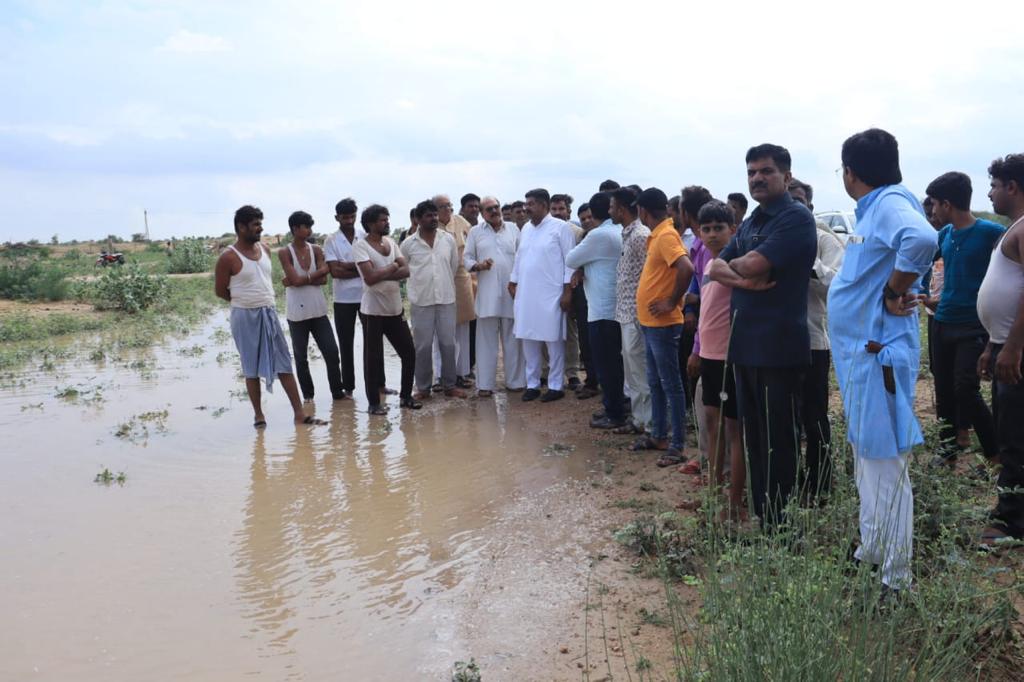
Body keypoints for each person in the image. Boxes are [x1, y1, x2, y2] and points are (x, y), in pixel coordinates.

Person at [829, 128, 937, 592]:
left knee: (885, 464)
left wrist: (894, 290)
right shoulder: (876, 209)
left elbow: (922, 239)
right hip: (860, 358)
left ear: (850, 172)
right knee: (866, 458)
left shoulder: (892, 204)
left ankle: (896, 578)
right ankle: (872, 549)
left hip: (876, 359)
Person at [709, 143, 816, 526]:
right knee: (754, 440)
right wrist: (743, 275)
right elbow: (714, 269)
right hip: (745, 347)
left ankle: (780, 525)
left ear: (786, 177)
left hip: (778, 349)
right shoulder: (754, 220)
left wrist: (737, 268)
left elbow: (749, 263)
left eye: (766, 171)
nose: (757, 178)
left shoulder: (795, 218)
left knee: (779, 441)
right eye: (752, 172)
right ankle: (762, 515)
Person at [926, 171, 1004, 464]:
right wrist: (927, 294)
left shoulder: (990, 233)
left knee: (965, 389)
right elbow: (926, 266)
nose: (932, 211)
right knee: (943, 388)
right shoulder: (944, 235)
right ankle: (948, 450)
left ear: (946, 204)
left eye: (934, 204)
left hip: (972, 324)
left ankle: (995, 454)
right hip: (941, 320)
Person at [214, 205, 313, 426]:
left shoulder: (266, 250)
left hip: (268, 313)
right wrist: (244, 302)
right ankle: (259, 415)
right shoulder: (228, 257)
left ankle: (299, 412)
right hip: (244, 317)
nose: (260, 228)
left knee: (284, 362)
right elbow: (220, 291)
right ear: (241, 227)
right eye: (256, 224)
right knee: (250, 367)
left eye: (260, 223)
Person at [788, 179, 845, 499]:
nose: (793, 207)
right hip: (779, 344)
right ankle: (792, 484)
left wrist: (809, 263)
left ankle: (821, 486)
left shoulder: (824, 240)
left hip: (812, 341)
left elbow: (838, 285)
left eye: (798, 201)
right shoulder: (774, 237)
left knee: (814, 418)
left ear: (809, 205)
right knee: (786, 419)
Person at [978, 153, 1024, 542]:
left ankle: (1012, 521)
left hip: (1018, 353)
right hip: (1006, 346)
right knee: (1009, 428)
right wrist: (993, 346)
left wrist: (1012, 348)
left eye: (994, 185)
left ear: (1012, 187)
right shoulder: (1013, 229)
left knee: (1014, 435)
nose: (990, 193)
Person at [631, 188, 694, 465]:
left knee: (671, 385)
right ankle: (658, 434)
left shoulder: (666, 235)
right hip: (651, 322)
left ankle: (677, 445)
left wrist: (671, 301)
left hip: (663, 323)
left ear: (643, 211)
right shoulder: (659, 234)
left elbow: (686, 268)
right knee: (656, 382)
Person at [691, 200, 746, 517]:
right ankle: (714, 491)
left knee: (734, 429)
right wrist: (697, 348)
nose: (712, 235)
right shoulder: (710, 265)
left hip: (730, 357)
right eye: (706, 229)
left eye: (719, 228)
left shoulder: (736, 264)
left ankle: (735, 501)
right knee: (712, 425)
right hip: (709, 356)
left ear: (733, 230)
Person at [351, 204, 420, 414]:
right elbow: (370, 279)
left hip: (394, 308)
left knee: (409, 352)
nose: (387, 222)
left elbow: (406, 270)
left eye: (387, 219)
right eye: (382, 220)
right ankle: (374, 404)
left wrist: (380, 272)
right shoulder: (361, 246)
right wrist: (391, 268)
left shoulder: (390, 242)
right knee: (372, 360)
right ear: (371, 224)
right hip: (373, 311)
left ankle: (406, 397)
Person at [509, 188, 576, 402]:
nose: (526, 207)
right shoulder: (526, 229)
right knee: (528, 338)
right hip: (527, 293)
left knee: (553, 340)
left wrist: (567, 292)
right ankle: (533, 384)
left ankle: (556, 386)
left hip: (551, 294)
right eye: (526, 203)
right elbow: (520, 258)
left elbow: (570, 262)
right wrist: (513, 280)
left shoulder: (560, 228)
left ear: (544, 205)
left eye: (531, 204)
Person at [566, 191, 625, 427]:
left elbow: (571, 259)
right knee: (616, 363)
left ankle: (614, 413)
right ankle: (616, 406)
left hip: (602, 308)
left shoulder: (598, 235)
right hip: (616, 306)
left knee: (607, 364)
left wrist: (582, 266)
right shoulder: (618, 230)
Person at [401, 200, 467, 399]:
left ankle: (449, 385)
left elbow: (453, 266)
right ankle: (423, 388)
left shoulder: (447, 239)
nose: (434, 218)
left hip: (446, 298)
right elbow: (404, 270)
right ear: (418, 219)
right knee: (422, 346)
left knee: (448, 343)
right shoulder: (408, 244)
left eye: (435, 215)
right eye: (428, 216)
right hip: (421, 301)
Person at [278, 211, 346, 402]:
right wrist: (318, 272)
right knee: (301, 358)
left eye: (310, 226)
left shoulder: (316, 249)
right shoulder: (285, 252)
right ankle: (308, 396)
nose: (309, 230)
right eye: (306, 227)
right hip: (297, 314)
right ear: (295, 229)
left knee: (332, 352)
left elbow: (324, 280)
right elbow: (299, 279)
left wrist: (301, 279)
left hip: (318, 310)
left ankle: (337, 393)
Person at [464, 196, 525, 396]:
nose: (494, 211)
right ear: (482, 213)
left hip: (511, 294)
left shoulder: (514, 229)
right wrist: (478, 266)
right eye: (489, 209)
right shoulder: (475, 232)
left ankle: (515, 383)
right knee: (485, 343)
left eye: (496, 207)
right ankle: (485, 385)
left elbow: (523, 257)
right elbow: (466, 258)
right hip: (487, 296)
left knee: (513, 341)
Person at [324, 198, 376, 398]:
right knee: (345, 344)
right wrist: (361, 267)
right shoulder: (331, 240)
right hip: (343, 299)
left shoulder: (364, 236)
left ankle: (377, 384)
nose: (349, 220)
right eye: (345, 217)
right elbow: (335, 272)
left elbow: (374, 265)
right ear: (337, 217)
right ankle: (349, 388)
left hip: (366, 296)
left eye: (352, 216)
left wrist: (347, 265)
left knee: (372, 343)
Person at [611, 186, 651, 436]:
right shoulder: (628, 233)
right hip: (626, 312)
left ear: (623, 210)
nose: (609, 211)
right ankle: (639, 419)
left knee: (640, 370)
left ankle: (648, 423)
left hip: (637, 314)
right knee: (632, 370)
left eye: (612, 206)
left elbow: (652, 273)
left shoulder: (639, 236)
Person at [552, 193, 594, 395]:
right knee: (547, 331)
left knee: (571, 331)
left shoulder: (579, 233)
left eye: (562, 209)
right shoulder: (542, 231)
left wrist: (570, 291)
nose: (558, 213)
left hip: (573, 290)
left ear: (568, 211)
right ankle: (547, 372)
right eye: (554, 209)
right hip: (548, 289)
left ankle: (572, 373)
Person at [434, 194, 476, 387]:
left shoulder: (461, 222)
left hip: (461, 280)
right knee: (439, 332)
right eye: (443, 206)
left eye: (449, 205)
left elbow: (473, 248)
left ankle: (461, 373)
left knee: (462, 330)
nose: (448, 209)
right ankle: (438, 375)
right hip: (439, 281)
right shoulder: (429, 224)